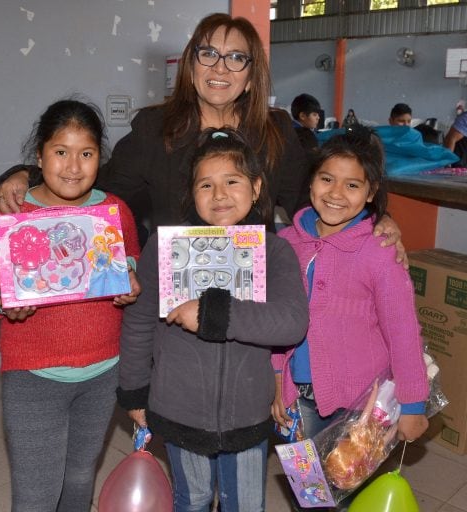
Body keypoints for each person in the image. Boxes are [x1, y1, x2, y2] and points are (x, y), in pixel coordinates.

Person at [0, 13, 406, 259]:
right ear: (192, 64)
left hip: (251, 294)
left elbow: (313, 200)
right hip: (175, 296)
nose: (221, 68)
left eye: (236, 58)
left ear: (251, 73)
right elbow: (100, 188)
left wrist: (375, 220)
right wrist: (27, 176)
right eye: (209, 54)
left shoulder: (274, 131)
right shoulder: (155, 129)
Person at [116, 127, 310, 512]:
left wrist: (211, 313)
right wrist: (135, 392)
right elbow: (138, 325)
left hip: (249, 410)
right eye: (205, 185)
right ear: (191, 194)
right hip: (178, 407)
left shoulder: (274, 251)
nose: (219, 194)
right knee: (194, 499)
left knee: (246, 504)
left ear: (256, 187)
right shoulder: (163, 248)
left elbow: (291, 321)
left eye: (232, 181)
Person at [0, 98, 141, 512]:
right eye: (61, 152)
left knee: (80, 476)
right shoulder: (12, 209)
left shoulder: (114, 210)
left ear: (101, 157)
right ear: (39, 155)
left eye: (87, 153)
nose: (74, 166)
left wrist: (130, 281)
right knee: (36, 491)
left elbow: (129, 254)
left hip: (102, 372)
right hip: (33, 376)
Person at [271, 125, 429, 455]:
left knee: (345, 486)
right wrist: (275, 383)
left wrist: (413, 405)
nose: (336, 193)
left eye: (352, 184)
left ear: (371, 192)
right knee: (310, 491)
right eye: (326, 179)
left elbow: (403, 332)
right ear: (311, 181)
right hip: (297, 395)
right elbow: (272, 322)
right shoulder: (285, 244)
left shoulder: (380, 251)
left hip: (362, 402)